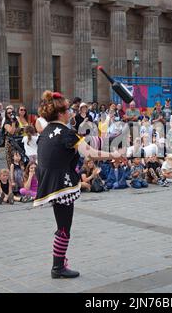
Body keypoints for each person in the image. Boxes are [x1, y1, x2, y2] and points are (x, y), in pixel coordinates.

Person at [33, 91, 123, 279]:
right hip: (62, 184)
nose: (71, 112)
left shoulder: (45, 131)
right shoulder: (67, 134)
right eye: (68, 109)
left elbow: (40, 123)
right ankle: (58, 267)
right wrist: (114, 155)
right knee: (64, 228)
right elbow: (89, 152)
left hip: (49, 182)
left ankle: (59, 263)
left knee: (62, 225)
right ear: (60, 113)